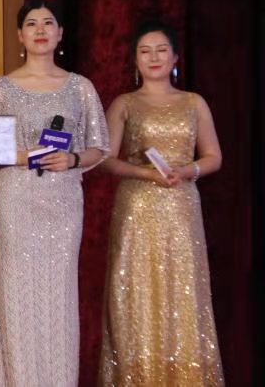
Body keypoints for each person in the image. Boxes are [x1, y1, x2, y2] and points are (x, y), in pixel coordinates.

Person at [0, 0, 109, 386]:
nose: (40, 29)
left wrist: (72, 158)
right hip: (17, 201)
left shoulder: (80, 88)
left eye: (48, 22)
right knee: (17, 297)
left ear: (60, 33)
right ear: (20, 35)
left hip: (63, 204)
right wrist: (24, 155)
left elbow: (99, 147)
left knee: (58, 299)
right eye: (31, 23)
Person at [98, 22, 224, 385]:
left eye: (161, 50)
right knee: (136, 295)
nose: (153, 57)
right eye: (145, 51)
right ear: (135, 60)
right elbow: (106, 160)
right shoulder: (124, 104)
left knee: (183, 294)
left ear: (175, 58)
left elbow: (214, 156)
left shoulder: (193, 102)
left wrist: (187, 170)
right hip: (137, 207)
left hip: (181, 205)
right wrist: (145, 173)